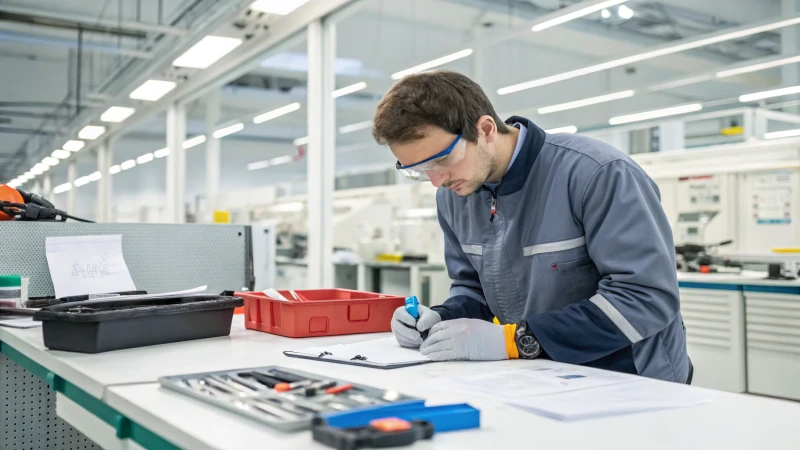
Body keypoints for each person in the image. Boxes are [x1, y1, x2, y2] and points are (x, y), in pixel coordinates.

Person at [371, 70, 691, 383]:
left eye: (441, 160)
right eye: (418, 170)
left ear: (484, 129)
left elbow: (646, 297)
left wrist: (515, 340)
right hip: (541, 378)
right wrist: (441, 318)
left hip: (632, 380)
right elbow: (473, 289)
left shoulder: (597, 174)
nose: (436, 181)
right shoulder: (455, 196)